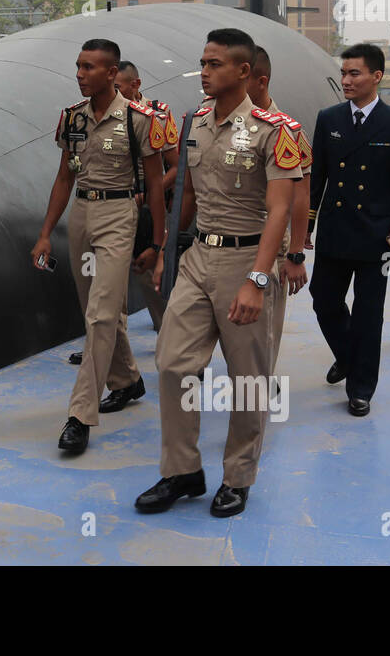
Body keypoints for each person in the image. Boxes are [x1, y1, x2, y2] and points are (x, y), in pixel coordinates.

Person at [134, 28, 302, 518]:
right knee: (173, 363)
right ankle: (182, 470)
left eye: (213, 64)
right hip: (198, 259)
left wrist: (258, 278)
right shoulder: (197, 121)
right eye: (202, 63)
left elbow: (279, 210)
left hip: (247, 260)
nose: (203, 72)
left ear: (244, 72)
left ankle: (237, 476)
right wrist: (163, 246)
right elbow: (185, 192)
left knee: (248, 377)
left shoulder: (278, 130)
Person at [31, 39, 167, 455]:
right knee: (96, 308)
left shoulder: (139, 119)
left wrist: (159, 244)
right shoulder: (72, 118)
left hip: (118, 216)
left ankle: (79, 415)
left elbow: (157, 184)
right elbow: (63, 178)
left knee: (102, 312)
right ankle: (127, 379)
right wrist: (45, 232)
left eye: (89, 67)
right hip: (82, 216)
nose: (79, 74)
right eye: (78, 66)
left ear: (112, 73)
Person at [307, 43, 390, 418]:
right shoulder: (329, 118)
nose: (346, 80)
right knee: (323, 300)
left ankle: (360, 388)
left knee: (370, 314)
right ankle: (348, 355)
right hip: (336, 232)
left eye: (354, 73)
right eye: (343, 73)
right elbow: (317, 178)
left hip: (378, 238)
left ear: (377, 76)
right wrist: (306, 225)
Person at [246, 48, 312, 376]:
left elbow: (300, 196)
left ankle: (259, 381)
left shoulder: (287, 130)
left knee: (265, 322)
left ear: (260, 81)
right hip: (222, 239)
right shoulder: (209, 119)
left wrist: (296, 253)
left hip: (269, 240)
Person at [116, 61, 180, 335]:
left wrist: (148, 194)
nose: (113, 93)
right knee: (108, 276)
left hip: (145, 205)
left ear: (135, 85)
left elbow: (176, 166)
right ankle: (109, 338)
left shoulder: (158, 115)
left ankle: (168, 329)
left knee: (146, 269)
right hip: (114, 205)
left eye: (118, 87)